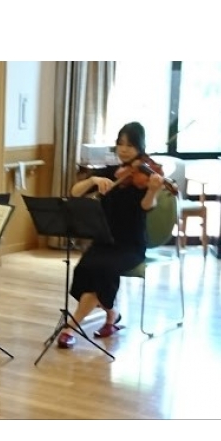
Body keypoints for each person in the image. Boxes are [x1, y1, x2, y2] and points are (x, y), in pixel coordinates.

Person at [59, 121, 164, 349]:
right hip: (104, 240)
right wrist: (92, 180)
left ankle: (70, 327)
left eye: (130, 145)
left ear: (140, 147)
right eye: (120, 144)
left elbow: (146, 206)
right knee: (84, 268)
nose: (124, 149)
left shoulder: (145, 176)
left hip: (130, 245)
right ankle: (112, 316)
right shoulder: (109, 173)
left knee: (102, 272)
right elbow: (74, 192)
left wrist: (153, 190)